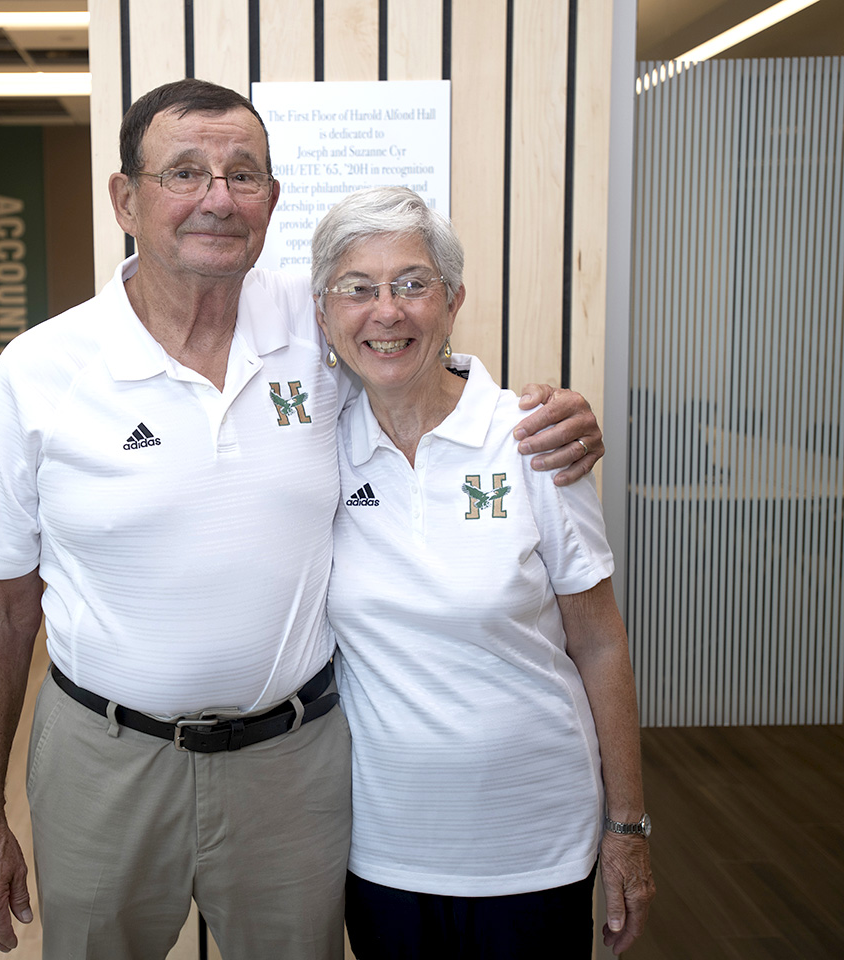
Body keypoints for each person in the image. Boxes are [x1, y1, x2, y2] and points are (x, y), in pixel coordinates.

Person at [0, 79, 604, 960]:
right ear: (125, 199)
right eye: (184, 172)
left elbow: (409, 342)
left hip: (290, 762)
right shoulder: (38, 373)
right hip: (104, 758)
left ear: (271, 202)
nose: (216, 197)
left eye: (242, 174)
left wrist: (552, 414)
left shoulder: (315, 319)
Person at [310, 185, 654, 958]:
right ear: (326, 313)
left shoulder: (534, 439)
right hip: (383, 849)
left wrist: (627, 827)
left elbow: (600, 643)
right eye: (357, 289)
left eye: (412, 284)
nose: (386, 312)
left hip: (536, 843)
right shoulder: (313, 450)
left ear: (454, 299)